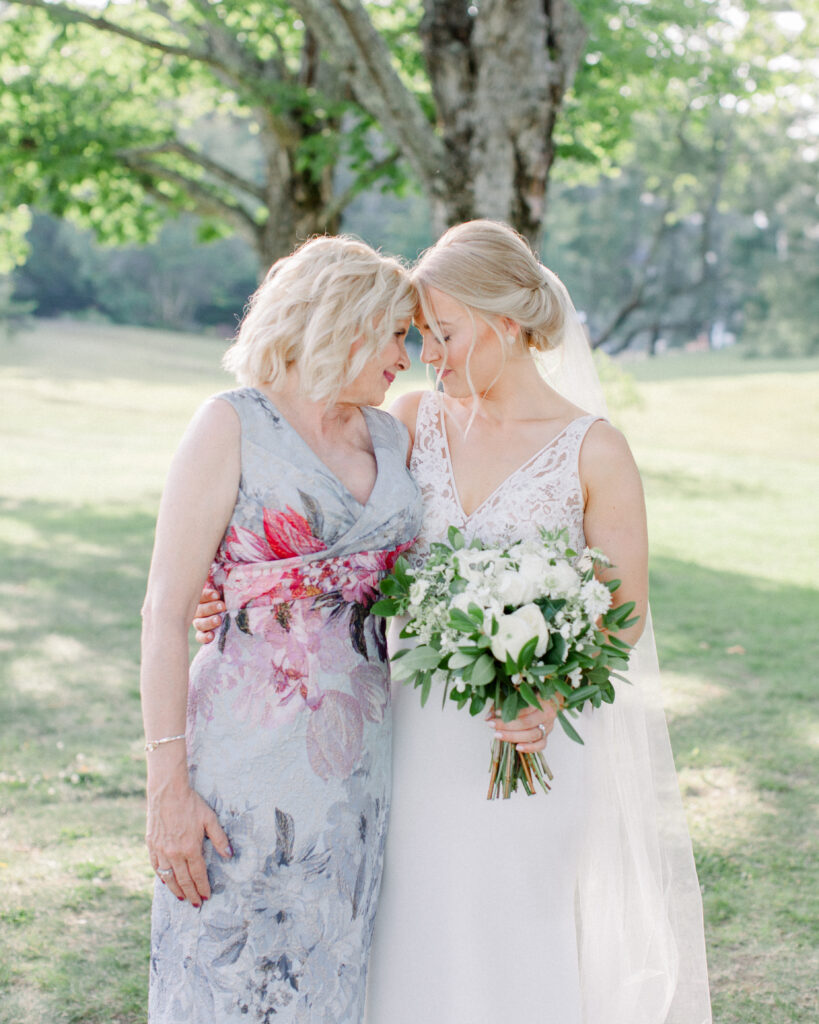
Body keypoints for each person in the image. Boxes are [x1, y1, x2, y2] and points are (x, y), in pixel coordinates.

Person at [195, 221, 712, 1023]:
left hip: (524, 743)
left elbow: (624, 612)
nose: (427, 354)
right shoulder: (409, 421)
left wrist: (551, 697)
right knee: (413, 936)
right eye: (419, 336)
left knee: (515, 936)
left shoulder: (594, 451)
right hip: (405, 736)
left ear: (504, 323)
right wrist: (239, 591)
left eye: (444, 333)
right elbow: (337, 537)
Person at [140, 234, 422, 1023]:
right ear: (345, 320)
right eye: (396, 333)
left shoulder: (393, 437)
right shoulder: (230, 424)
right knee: (227, 977)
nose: (406, 355)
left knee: (328, 977)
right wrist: (168, 788)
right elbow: (165, 611)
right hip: (242, 757)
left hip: (356, 764)